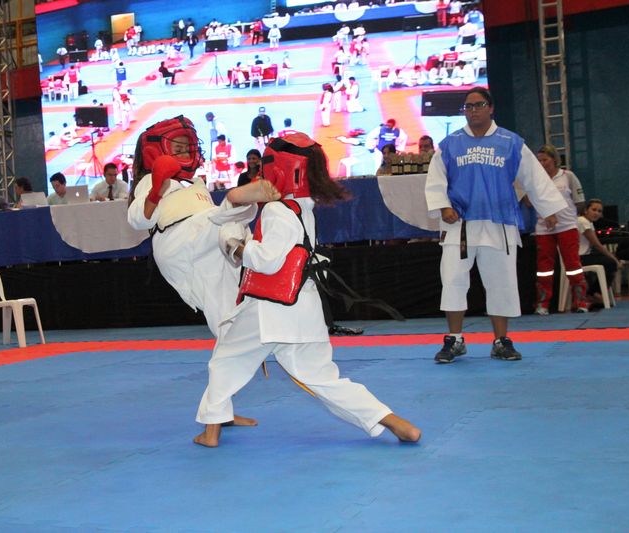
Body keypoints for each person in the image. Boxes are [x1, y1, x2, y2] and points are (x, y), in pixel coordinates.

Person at [192, 133, 421, 447]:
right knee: (324, 378)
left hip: (268, 309)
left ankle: (211, 432)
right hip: (303, 307)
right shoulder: (303, 208)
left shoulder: (276, 211)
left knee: (225, 360)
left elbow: (267, 261)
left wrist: (236, 245)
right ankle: (394, 422)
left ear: (279, 170)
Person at [127, 116, 280, 426]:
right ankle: (243, 238)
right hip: (179, 239)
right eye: (177, 148)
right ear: (158, 152)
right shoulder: (151, 180)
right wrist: (156, 188)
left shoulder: (197, 183)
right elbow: (137, 220)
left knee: (228, 327)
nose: (185, 152)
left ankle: (218, 411)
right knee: (226, 216)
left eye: (187, 147)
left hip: (206, 248)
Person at [424, 87, 567, 363]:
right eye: (468, 107)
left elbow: (534, 177)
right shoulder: (450, 144)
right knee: (453, 280)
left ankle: (501, 341)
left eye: (478, 105)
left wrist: (548, 209)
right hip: (460, 224)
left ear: (490, 108)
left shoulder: (510, 142)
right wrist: (443, 206)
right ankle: (455, 339)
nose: (473, 111)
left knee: (501, 282)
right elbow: (435, 179)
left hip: (499, 222)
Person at [528, 144, 588, 314]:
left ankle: (580, 302)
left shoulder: (568, 176)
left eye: (545, 160)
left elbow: (579, 201)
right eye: (539, 160)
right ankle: (543, 304)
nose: (542, 163)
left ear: (554, 159)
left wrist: (566, 215)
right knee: (544, 268)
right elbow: (529, 203)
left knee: (573, 264)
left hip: (567, 226)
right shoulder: (535, 180)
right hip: (543, 229)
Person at [578, 199, 621, 303]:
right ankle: (594, 293)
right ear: (586, 210)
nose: (596, 213)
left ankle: (595, 293)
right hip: (579, 258)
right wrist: (615, 259)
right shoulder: (582, 221)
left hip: (584, 256)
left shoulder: (588, 223)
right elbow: (597, 245)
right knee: (611, 262)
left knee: (610, 261)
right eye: (594, 210)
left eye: (599, 211)